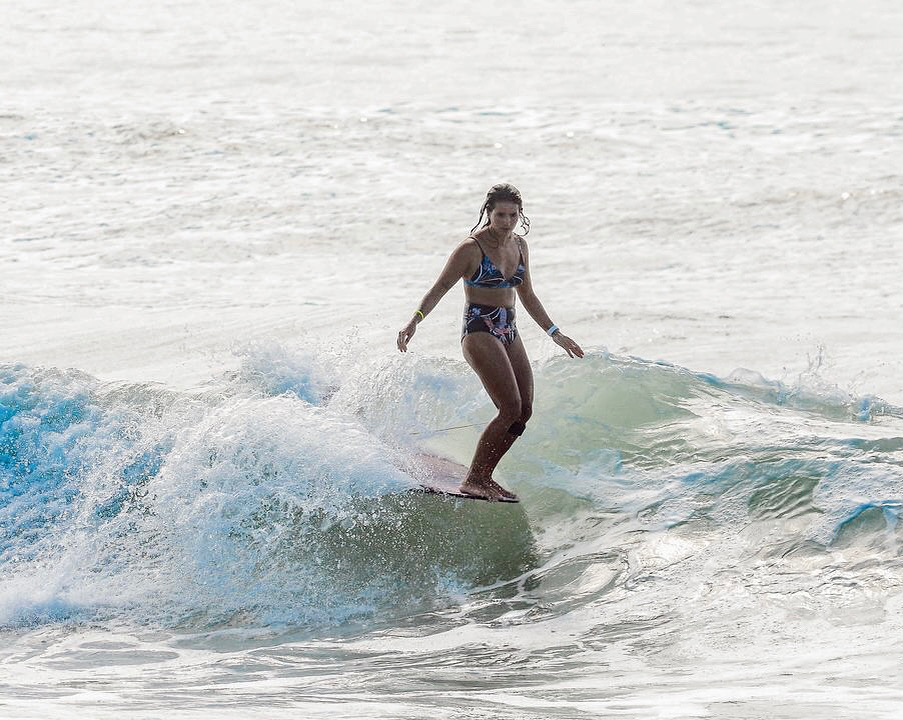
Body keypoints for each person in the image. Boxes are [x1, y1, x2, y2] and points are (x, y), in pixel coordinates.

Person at [396, 183, 584, 501]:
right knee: (509, 406)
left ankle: (486, 475)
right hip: (479, 330)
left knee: (524, 410)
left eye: (513, 215)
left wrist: (555, 333)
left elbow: (527, 295)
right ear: (489, 213)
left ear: (520, 215)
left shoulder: (521, 246)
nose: (507, 221)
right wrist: (414, 320)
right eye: (500, 215)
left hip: (508, 330)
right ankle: (475, 478)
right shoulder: (471, 248)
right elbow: (440, 287)